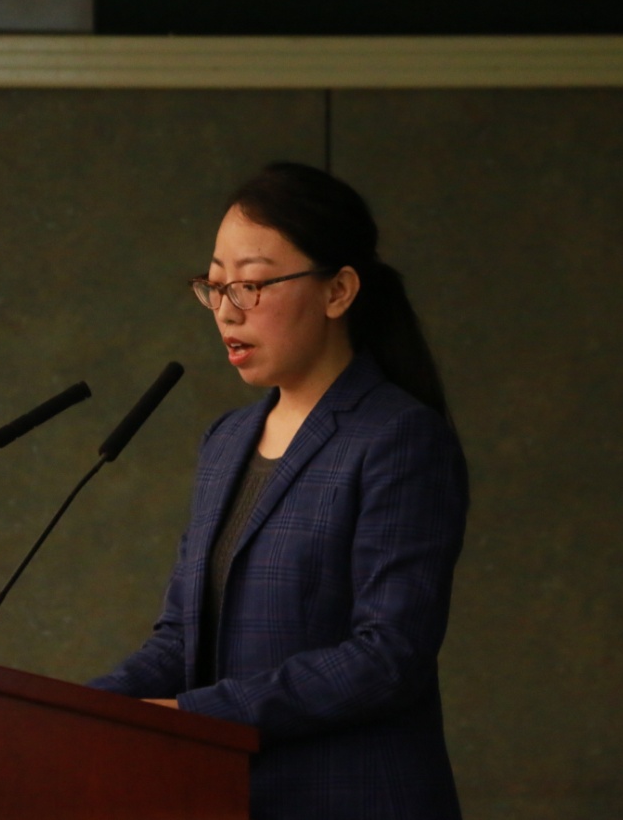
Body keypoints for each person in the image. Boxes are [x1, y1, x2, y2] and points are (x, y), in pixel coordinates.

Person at [89, 161, 468, 819]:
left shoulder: (397, 438)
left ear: (338, 291)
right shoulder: (225, 442)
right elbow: (181, 640)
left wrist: (195, 714)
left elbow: (387, 657)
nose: (225, 311)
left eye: (252, 285)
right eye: (215, 286)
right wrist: (74, 710)